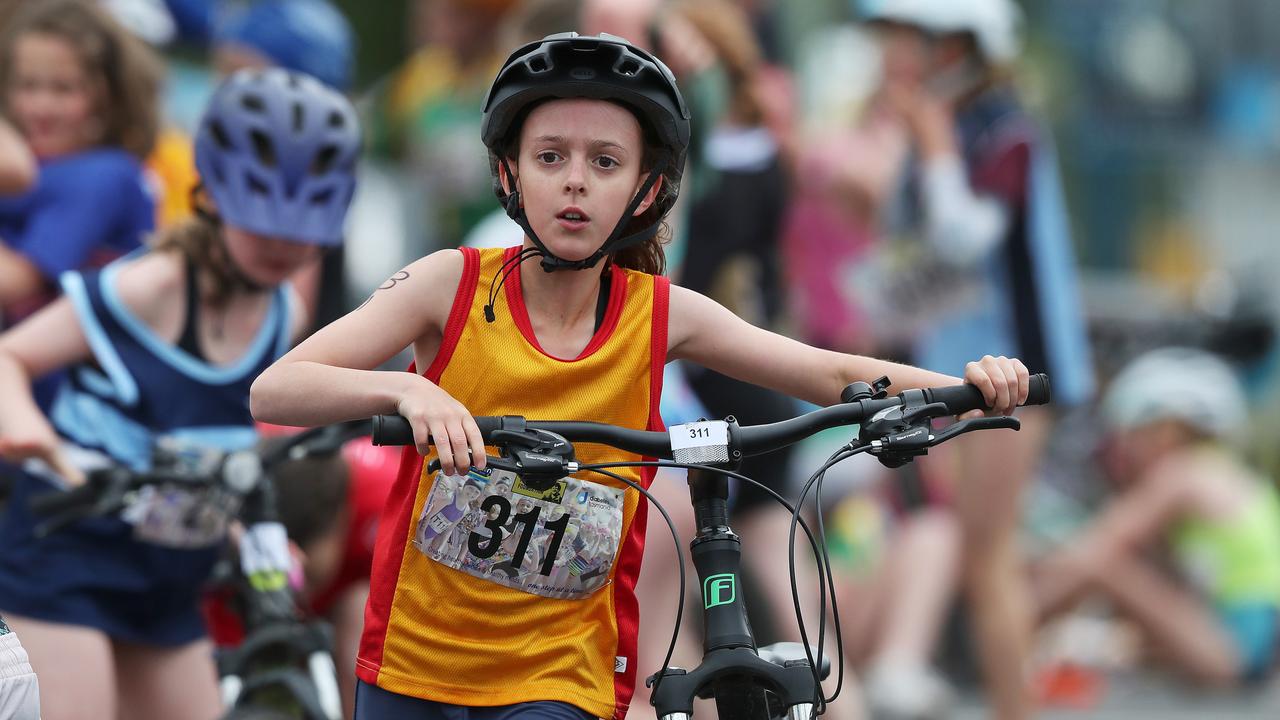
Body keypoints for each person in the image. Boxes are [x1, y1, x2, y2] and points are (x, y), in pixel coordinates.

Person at [250, 32, 1032, 720]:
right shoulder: (447, 285)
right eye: (550, 157)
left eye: (605, 161)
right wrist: (407, 388)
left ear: (646, 189)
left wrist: (967, 383)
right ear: (510, 173)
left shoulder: (660, 313)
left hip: (560, 670)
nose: (576, 181)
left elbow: (826, 371)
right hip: (412, 661)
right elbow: (276, 388)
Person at [0, 68, 360, 720]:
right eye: (263, 223)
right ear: (214, 195)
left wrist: (250, 532)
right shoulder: (152, 286)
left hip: (169, 579)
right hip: (68, 562)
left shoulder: (281, 311)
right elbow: (9, 356)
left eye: (299, 228)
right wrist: (24, 424)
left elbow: (216, 441)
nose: (282, 245)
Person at [855, 1, 1095, 716]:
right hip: (958, 376)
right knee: (972, 556)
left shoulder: (1004, 130)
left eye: (903, 38)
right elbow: (906, 253)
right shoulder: (948, 125)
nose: (890, 54)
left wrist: (929, 142)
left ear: (952, 45)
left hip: (1017, 377)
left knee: (989, 563)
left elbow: (965, 240)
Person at [1034, 348, 1280, 687]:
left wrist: (1011, 594)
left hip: (1232, 651)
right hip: (1251, 642)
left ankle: (1002, 632)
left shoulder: (1183, 474)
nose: (1120, 452)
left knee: (1105, 566)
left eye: (1129, 436)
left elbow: (1099, 545)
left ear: (1164, 432)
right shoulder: (1223, 470)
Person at [0, 0, 159, 329]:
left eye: (64, 89)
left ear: (106, 97)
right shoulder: (29, 161)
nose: (40, 107)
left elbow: (15, 282)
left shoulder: (108, 175)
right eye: (27, 85)